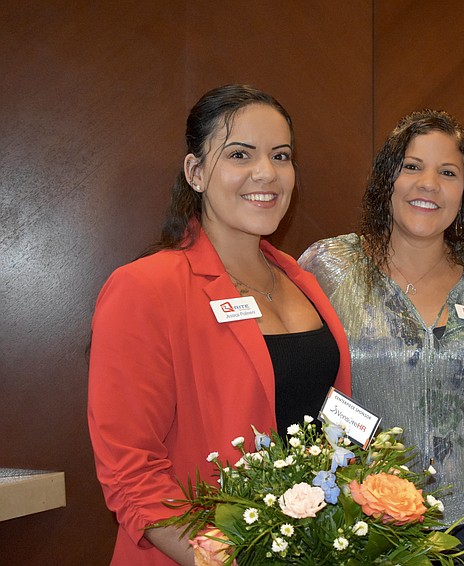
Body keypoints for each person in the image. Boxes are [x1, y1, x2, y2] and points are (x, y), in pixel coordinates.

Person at [88, 85, 352, 566]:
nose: (266, 173)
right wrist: (223, 558)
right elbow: (132, 470)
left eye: (281, 155)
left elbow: (334, 423)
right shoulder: (145, 289)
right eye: (239, 154)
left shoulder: (302, 280)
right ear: (196, 172)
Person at [299, 109, 464, 564]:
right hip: (365, 521)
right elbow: (303, 382)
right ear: (386, 179)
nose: (428, 184)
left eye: (448, 172)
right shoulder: (329, 266)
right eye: (412, 167)